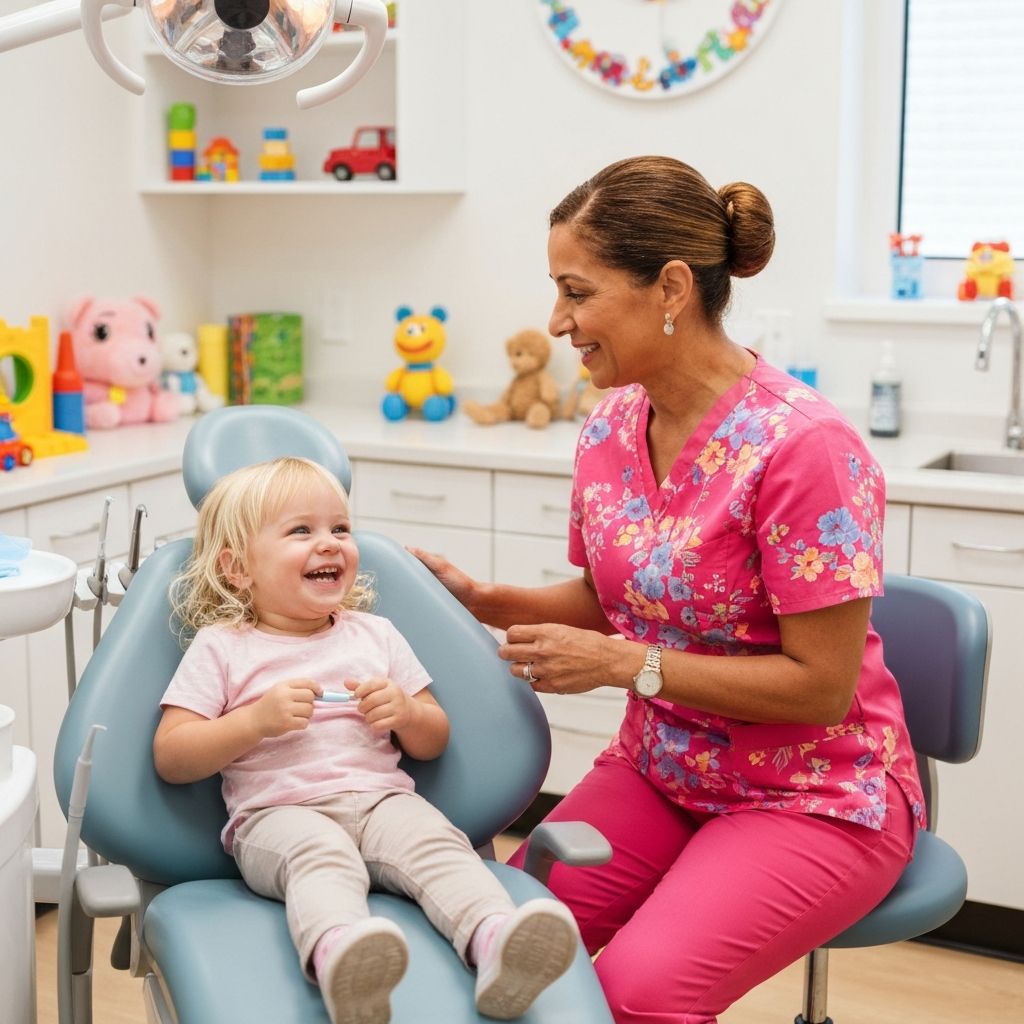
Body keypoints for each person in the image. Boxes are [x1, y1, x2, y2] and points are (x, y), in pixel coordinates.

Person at [412, 156, 924, 1024]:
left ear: (672, 287)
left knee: (637, 994)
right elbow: (620, 600)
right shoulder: (612, 421)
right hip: (663, 770)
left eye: (578, 292)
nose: (558, 320)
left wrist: (624, 666)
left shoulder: (806, 450)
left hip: (814, 792)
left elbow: (820, 687)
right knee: (488, 940)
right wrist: (485, 600)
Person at [153, 456, 579, 1024]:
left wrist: (404, 712)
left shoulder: (375, 634)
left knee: (437, 846)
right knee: (323, 859)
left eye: (341, 528)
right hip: (278, 815)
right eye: (301, 530)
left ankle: (497, 943)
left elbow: (433, 738)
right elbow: (172, 755)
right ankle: (343, 960)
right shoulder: (223, 647)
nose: (330, 543)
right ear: (238, 568)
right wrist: (252, 723)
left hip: (382, 801)